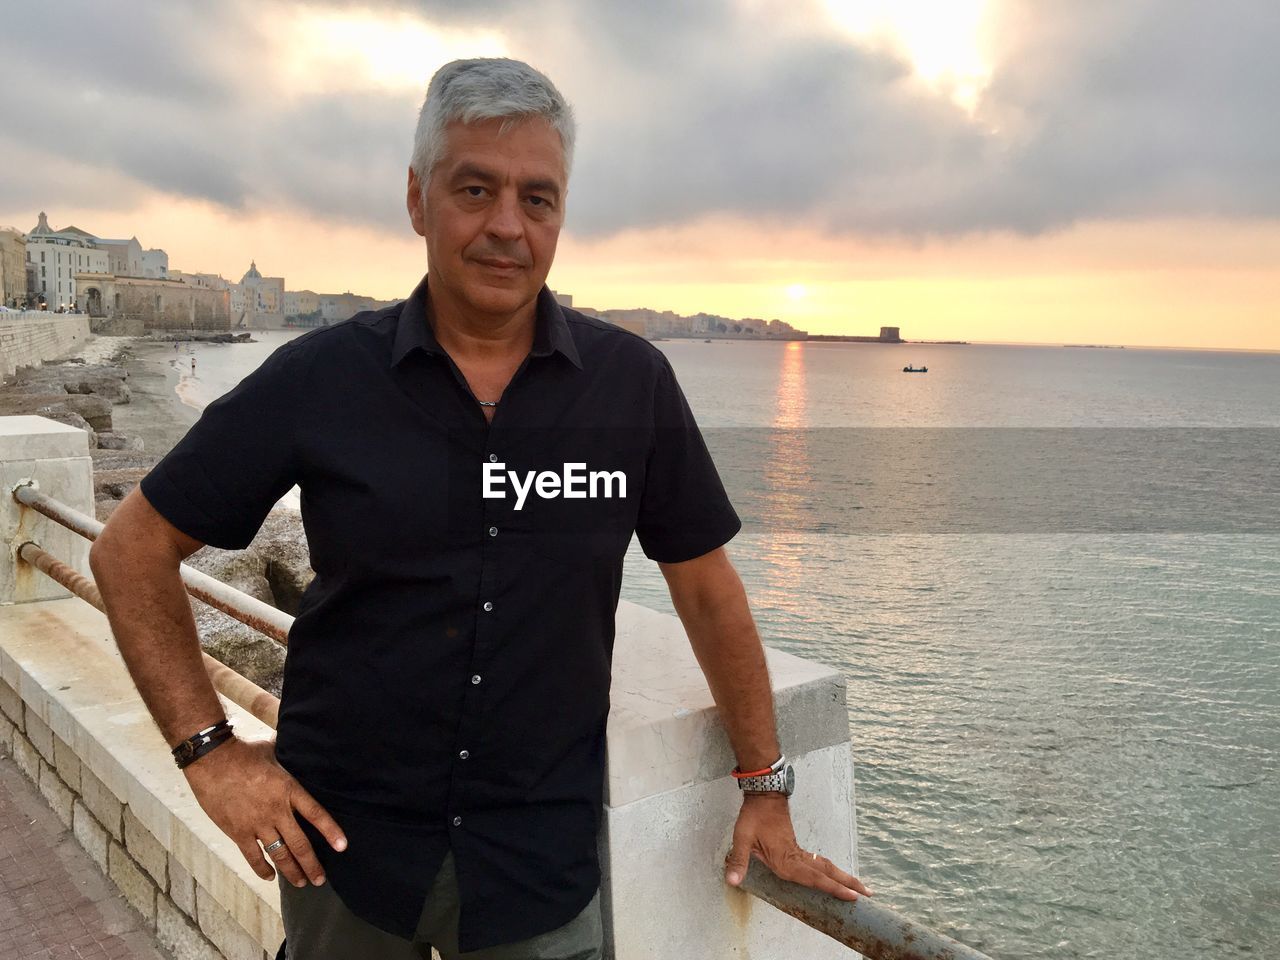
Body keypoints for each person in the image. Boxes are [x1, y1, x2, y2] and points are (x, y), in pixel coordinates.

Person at [88, 58, 869, 960]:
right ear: (419, 200)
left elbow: (705, 590)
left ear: (562, 214)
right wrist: (210, 756)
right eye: (476, 189)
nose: (508, 226)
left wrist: (765, 786)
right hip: (342, 857)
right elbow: (131, 549)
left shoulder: (630, 386)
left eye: (538, 199)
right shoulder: (322, 378)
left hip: (537, 867)